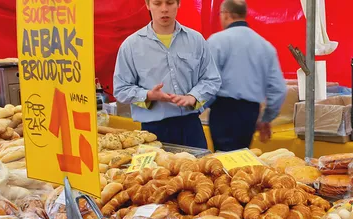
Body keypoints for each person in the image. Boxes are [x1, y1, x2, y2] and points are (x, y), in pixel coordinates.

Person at [113, 0, 221, 148]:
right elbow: (120, 90)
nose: (164, 9)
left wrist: (193, 97)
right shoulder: (131, 46)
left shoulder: (196, 40)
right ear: (148, 5)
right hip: (153, 131)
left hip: (191, 127)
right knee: (159, 172)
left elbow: (212, 80)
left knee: (199, 170)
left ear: (178, 4)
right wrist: (149, 95)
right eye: (157, 4)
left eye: (170, 3)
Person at [207, 0, 287, 151]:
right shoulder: (265, 46)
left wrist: (197, 108)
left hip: (223, 111)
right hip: (250, 112)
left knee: (222, 161)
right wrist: (266, 118)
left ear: (225, 14)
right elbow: (279, 89)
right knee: (241, 158)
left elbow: (208, 82)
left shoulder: (217, 41)